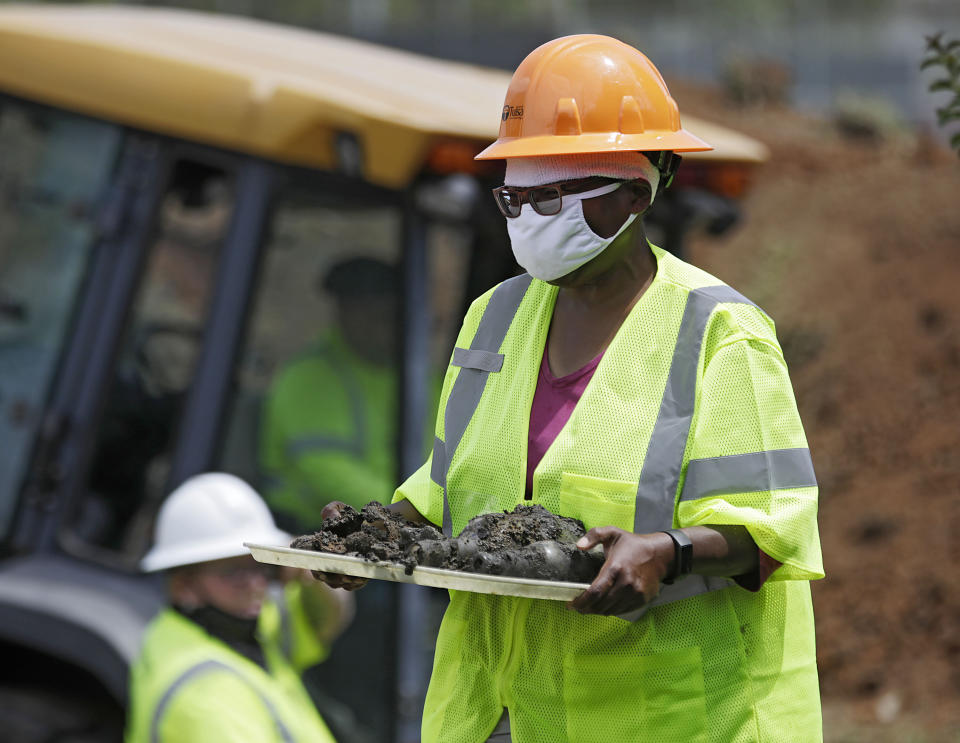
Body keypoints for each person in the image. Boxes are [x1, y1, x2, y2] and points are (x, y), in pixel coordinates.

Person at [318, 34, 824, 743]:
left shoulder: (721, 334)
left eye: (550, 195)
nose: (526, 217)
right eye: (512, 196)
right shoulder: (490, 319)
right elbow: (448, 491)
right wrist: (374, 534)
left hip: (666, 720)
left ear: (635, 192)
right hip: (496, 714)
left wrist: (665, 551)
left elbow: (771, 531)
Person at [125, 472, 342, 742]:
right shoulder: (208, 699)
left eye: (260, 566)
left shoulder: (231, 625)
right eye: (233, 572)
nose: (256, 585)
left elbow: (329, 621)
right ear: (183, 586)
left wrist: (312, 567)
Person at [260, 257, 400, 529]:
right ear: (344, 312)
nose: (381, 325)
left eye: (388, 314)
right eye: (369, 313)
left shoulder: (425, 379)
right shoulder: (310, 378)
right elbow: (324, 472)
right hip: (312, 537)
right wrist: (407, 513)